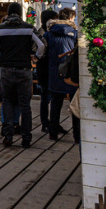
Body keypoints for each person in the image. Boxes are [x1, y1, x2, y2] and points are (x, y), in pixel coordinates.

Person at [0, 3, 44, 148]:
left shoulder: (0, 29)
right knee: (25, 104)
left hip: (6, 69)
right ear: (21, 13)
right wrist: (36, 57)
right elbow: (41, 45)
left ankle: (8, 135)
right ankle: (26, 138)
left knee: (7, 102)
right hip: (24, 69)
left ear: (8, 13)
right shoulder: (28, 28)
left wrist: (3, 60)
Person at [45, 8, 79, 141]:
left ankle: (52, 133)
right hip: (71, 73)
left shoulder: (49, 33)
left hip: (54, 72)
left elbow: (43, 51)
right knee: (75, 105)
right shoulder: (75, 33)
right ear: (71, 18)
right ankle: (77, 135)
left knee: (55, 104)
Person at [36, 10, 59, 133]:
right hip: (45, 69)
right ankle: (45, 122)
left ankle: (52, 122)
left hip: (48, 68)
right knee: (45, 98)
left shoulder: (47, 32)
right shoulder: (42, 33)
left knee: (50, 97)